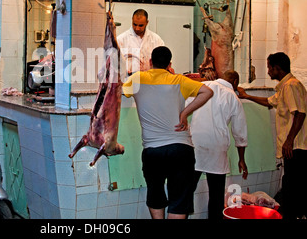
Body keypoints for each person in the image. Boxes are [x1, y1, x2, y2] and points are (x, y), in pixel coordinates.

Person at [123, 46, 213, 219]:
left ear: (150, 62)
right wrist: (185, 112)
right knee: (179, 199)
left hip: (152, 150)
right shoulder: (178, 80)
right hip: (181, 148)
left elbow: (120, 90)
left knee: (155, 193)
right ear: (169, 64)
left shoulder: (138, 79)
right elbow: (207, 91)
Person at [237, 52, 306, 219]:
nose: (267, 71)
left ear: (277, 68)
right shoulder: (285, 86)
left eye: (269, 67)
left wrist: (289, 141)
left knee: (293, 185)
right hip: (292, 146)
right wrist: (246, 96)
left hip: (296, 147)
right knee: (292, 184)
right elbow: (269, 101)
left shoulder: (291, 85)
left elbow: (300, 114)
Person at [187, 70, 248, 219]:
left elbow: (182, 106)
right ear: (234, 82)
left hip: (195, 144)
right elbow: (240, 132)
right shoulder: (232, 96)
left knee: (187, 190)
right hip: (217, 147)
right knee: (216, 194)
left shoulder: (202, 87)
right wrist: (241, 159)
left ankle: (181, 215)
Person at [117, 9, 165, 75]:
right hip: (128, 81)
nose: (137, 28)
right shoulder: (121, 39)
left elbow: (164, 60)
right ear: (132, 20)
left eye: (141, 25)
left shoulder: (156, 39)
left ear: (147, 22)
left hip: (150, 81)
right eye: (135, 24)